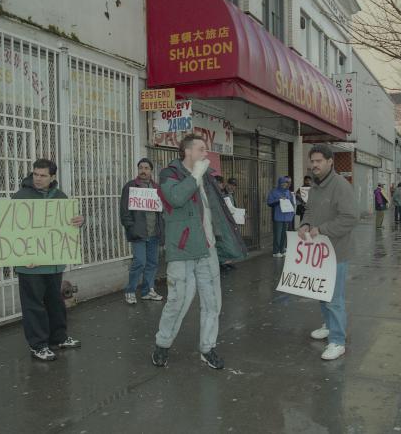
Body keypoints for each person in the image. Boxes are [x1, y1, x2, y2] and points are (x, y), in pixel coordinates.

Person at [152, 134, 247, 370]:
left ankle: (207, 348)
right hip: (183, 250)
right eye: (201, 149)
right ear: (187, 152)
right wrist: (195, 175)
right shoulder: (170, 174)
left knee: (213, 302)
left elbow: (214, 208)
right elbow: (175, 198)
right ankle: (162, 345)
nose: (206, 154)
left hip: (207, 249)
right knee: (178, 301)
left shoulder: (206, 176)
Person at [12, 158, 84, 361]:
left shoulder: (61, 197)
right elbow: (12, 230)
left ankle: (58, 337)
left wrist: (79, 222)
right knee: (33, 304)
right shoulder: (20, 197)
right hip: (30, 264)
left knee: (55, 302)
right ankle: (38, 345)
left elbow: (69, 226)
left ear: (52, 176)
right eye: (35, 174)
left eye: (43, 175)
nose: (38, 179)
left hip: (53, 263)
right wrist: (20, 255)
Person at [298, 144, 357, 361]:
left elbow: (350, 217)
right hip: (319, 253)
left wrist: (322, 230)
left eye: (318, 161)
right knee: (322, 294)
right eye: (312, 161)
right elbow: (310, 210)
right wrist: (304, 224)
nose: (314, 165)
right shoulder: (315, 187)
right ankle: (328, 325)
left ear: (330, 162)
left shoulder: (340, 185)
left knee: (334, 299)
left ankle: (338, 341)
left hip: (336, 253)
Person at [119, 158, 163, 304]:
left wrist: (161, 229)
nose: (143, 171)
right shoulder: (131, 186)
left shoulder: (157, 188)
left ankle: (147, 291)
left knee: (152, 263)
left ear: (151, 170)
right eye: (141, 168)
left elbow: (161, 211)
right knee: (139, 262)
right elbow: (124, 211)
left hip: (153, 233)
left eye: (146, 168)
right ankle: (130, 291)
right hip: (138, 232)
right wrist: (130, 227)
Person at [267, 176, 296, 257]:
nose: (284, 185)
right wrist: (278, 200)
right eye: (282, 183)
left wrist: (292, 213)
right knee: (277, 234)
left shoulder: (288, 192)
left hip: (286, 216)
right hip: (278, 216)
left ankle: (282, 250)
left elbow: (292, 203)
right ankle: (276, 252)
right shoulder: (274, 192)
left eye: (285, 183)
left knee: (284, 234)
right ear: (279, 183)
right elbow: (269, 203)